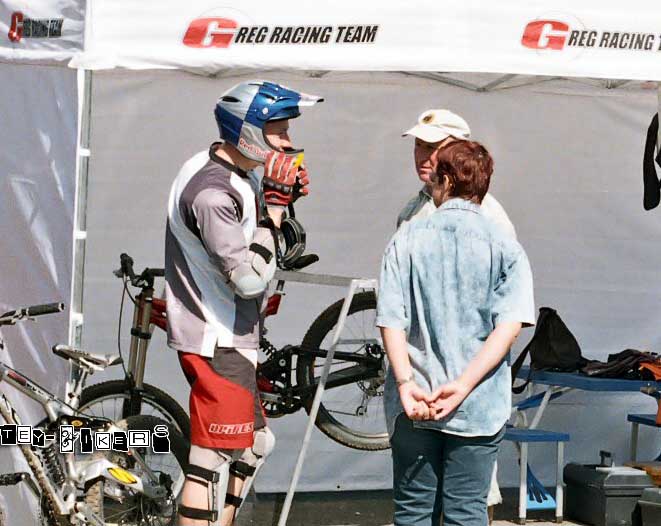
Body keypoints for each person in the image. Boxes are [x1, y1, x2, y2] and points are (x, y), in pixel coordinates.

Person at [165, 80, 322, 526]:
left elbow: (260, 242)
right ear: (248, 131)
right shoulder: (212, 194)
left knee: (255, 445)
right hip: (217, 336)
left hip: (229, 333)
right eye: (279, 132)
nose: (288, 142)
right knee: (209, 459)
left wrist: (284, 200)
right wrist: (273, 209)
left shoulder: (231, 169)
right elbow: (250, 280)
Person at [377, 140, 535, 526]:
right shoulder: (506, 246)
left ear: (446, 181)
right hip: (478, 404)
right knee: (467, 511)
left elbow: (390, 319)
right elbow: (509, 327)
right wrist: (463, 386)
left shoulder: (406, 238)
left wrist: (405, 382)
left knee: (413, 512)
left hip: (415, 402)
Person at [397, 109, 517, 518]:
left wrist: (463, 382)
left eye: (434, 147)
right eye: (419, 144)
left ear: (460, 151)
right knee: (423, 508)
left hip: (467, 394)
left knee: (462, 505)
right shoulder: (413, 209)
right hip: (422, 391)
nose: (424, 155)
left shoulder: (491, 219)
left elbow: (504, 316)